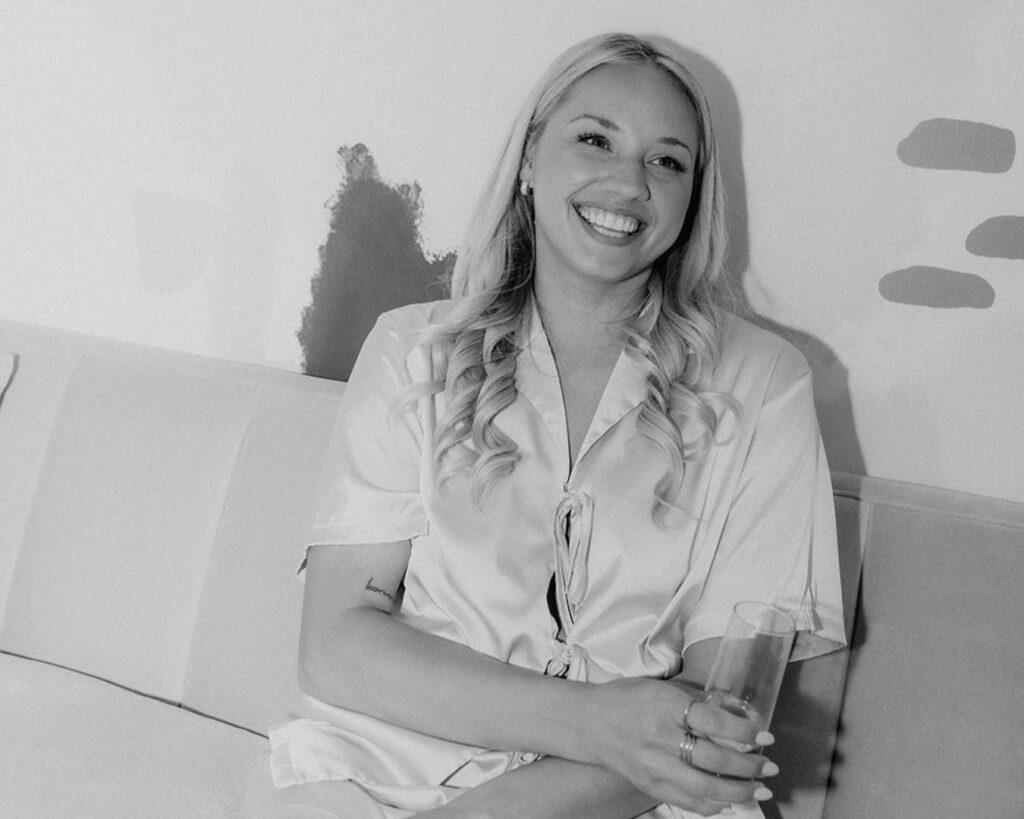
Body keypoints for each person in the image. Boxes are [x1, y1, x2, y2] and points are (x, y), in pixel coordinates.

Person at [245, 32, 845, 819]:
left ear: (694, 195)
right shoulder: (411, 349)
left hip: (630, 799)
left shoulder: (764, 384)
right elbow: (335, 645)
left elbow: (726, 708)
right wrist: (596, 722)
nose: (628, 182)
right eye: (595, 139)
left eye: (667, 161)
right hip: (381, 770)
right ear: (530, 161)